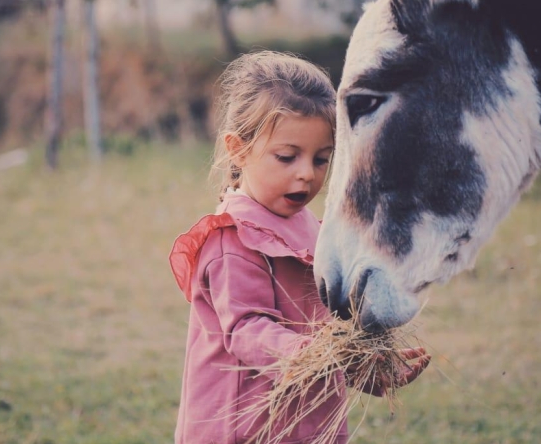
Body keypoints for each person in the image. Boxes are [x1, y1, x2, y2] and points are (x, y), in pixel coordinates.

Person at [169, 51, 429, 444]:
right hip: (244, 430)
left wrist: (361, 365)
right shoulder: (232, 240)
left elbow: (326, 327)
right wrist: (320, 354)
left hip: (307, 425)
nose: (307, 173)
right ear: (239, 149)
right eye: (287, 157)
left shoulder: (316, 230)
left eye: (322, 159)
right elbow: (246, 330)